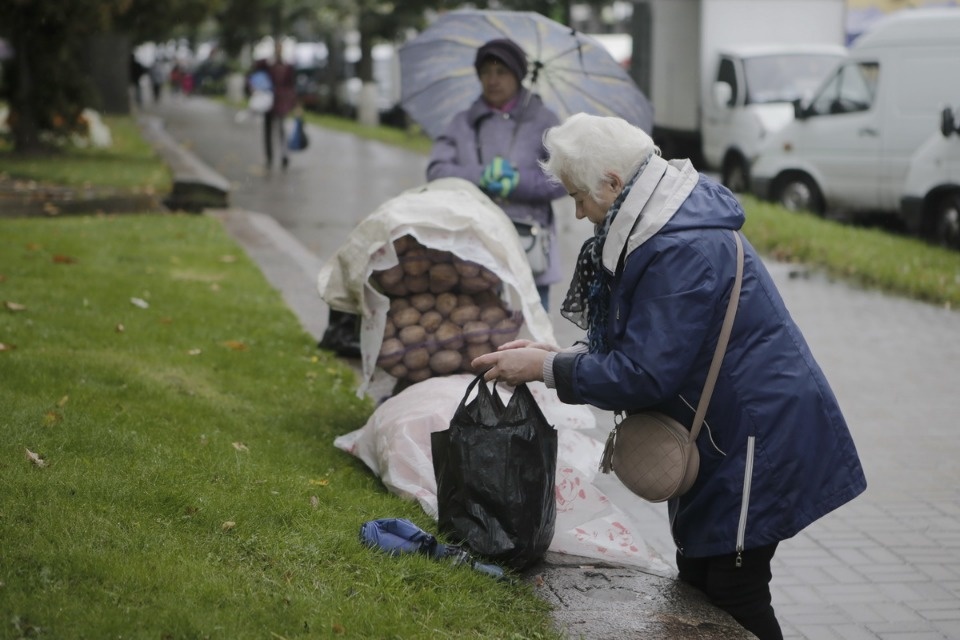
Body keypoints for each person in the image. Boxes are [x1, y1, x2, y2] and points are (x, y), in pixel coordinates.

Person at [472, 113, 867, 640]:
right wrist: (554, 354)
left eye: (580, 196)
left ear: (613, 183)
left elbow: (642, 374)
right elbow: (641, 343)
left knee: (735, 591)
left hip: (757, 439)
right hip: (723, 434)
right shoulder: (657, 223)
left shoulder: (678, 247)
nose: (578, 211)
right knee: (701, 579)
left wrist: (545, 368)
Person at [426, 38, 567, 310]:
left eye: (501, 72)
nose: (492, 80)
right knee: (476, 326)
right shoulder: (461, 122)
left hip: (527, 245)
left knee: (530, 331)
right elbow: (437, 171)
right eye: (486, 72)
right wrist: (480, 176)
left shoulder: (545, 122)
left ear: (517, 75)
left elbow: (563, 178)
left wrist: (518, 182)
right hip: (472, 245)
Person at [262, 40, 297, 170]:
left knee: (282, 130)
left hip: (281, 102)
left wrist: (293, 102)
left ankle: (284, 155)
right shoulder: (268, 64)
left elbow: (291, 85)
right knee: (268, 130)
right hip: (268, 101)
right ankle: (269, 157)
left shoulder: (287, 66)